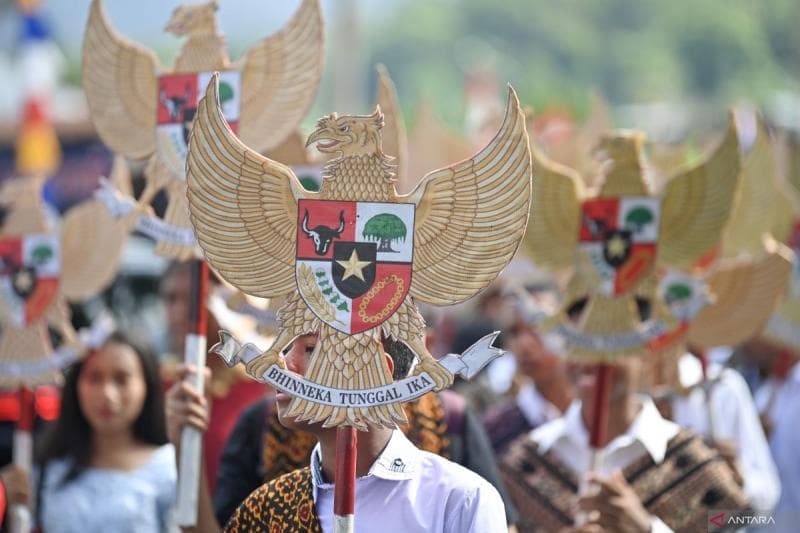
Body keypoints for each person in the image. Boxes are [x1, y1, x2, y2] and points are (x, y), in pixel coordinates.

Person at [168, 334, 508, 532]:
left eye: (312, 349)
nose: (285, 364)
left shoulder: (460, 501)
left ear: (378, 370)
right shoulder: (264, 509)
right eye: (286, 347)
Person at [499, 357, 749, 532]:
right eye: (580, 341)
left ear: (645, 354)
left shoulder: (694, 460)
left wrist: (646, 529)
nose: (592, 359)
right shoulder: (523, 462)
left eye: (611, 342)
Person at [1, 332, 177, 532]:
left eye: (121, 379)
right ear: (76, 386)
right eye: (94, 378)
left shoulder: (169, 468)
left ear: (147, 385)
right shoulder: (45, 469)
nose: (107, 394)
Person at [159, 261, 266, 492]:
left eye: (195, 299)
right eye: (171, 299)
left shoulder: (259, 390)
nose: (180, 313)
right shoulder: (153, 385)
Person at [482, 317, 573, 453]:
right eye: (514, 333)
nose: (524, 344)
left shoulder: (604, 414)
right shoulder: (495, 431)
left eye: (539, 328)